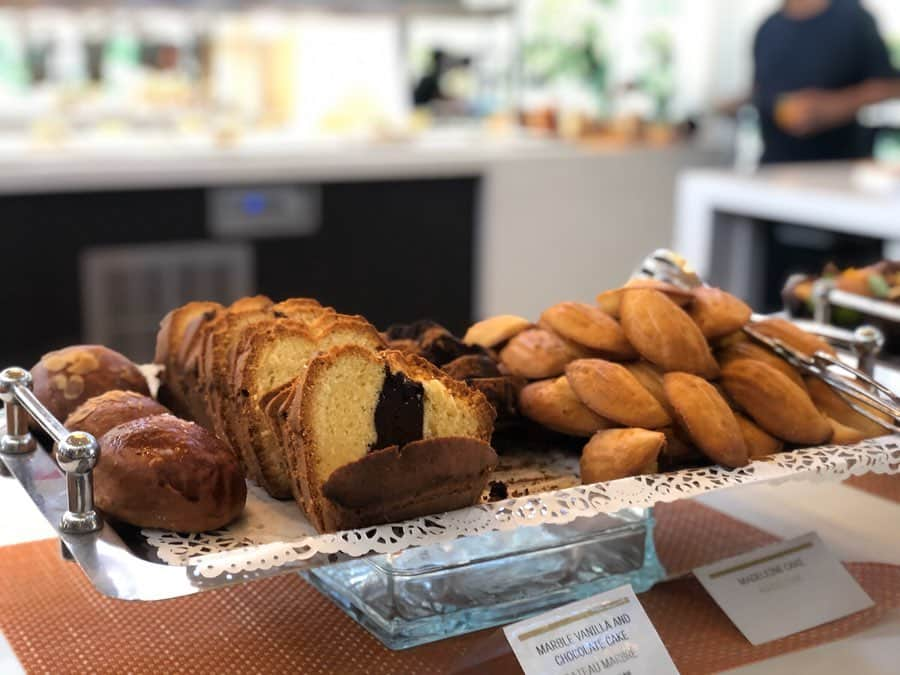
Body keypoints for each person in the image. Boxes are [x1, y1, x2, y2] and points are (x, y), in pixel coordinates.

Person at [752, 0, 900, 163]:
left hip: (837, 166)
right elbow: (761, 88)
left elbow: (891, 85)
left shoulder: (853, 17)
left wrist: (833, 106)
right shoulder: (768, 28)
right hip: (775, 167)